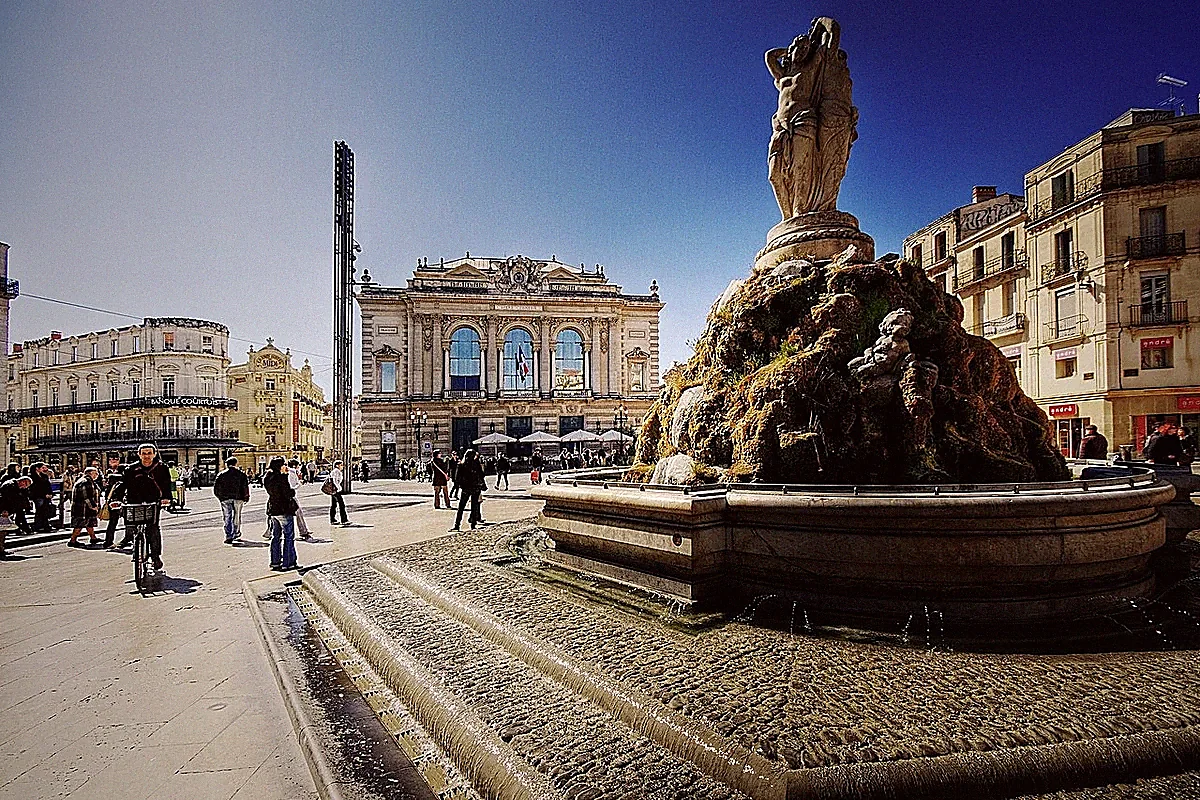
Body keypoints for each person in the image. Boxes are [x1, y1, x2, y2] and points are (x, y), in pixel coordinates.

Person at [117, 444, 173, 570]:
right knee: (132, 525)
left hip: (153, 502)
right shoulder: (131, 469)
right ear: (139, 454)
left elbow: (166, 485)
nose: (146, 456)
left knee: (153, 529)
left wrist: (166, 499)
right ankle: (134, 544)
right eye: (143, 453)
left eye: (149, 453)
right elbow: (122, 485)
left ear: (154, 454)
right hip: (134, 501)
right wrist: (117, 500)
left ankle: (155, 557)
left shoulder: (161, 467)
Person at [263, 457, 299, 571]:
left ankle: (275, 562)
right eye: (284, 464)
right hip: (284, 509)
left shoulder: (267, 477)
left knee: (276, 537)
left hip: (273, 509)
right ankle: (288, 563)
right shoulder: (281, 478)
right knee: (289, 536)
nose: (286, 466)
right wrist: (286, 478)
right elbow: (288, 493)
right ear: (280, 466)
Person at [213, 456, 251, 544]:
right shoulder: (241, 474)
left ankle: (229, 535)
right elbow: (245, 487)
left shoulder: (221, 475)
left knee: (227, 516)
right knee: (237, 516)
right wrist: (246, 496)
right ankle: (236, 533)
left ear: (227, 464)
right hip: (238, 498)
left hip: (225, 499)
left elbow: (216, 488)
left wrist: (220, 497)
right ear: (235, 464)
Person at [450, 449, 486, 532]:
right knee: (474, 506)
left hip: (466, 489)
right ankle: (473, 525)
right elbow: (482, 475)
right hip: (475, 488)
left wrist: (462, 486)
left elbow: (457, 478)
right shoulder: (476, 464)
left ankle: (457, 525)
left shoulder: (461, 465)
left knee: (461, 507)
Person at [67, 467, 102, 547]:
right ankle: (72, 540)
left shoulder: (87, 481)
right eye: (95, 473)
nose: (97, 475)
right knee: (79, 524)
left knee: (89, 523)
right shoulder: (86, 482)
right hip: (82, 507)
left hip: (84, 507)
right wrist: (93, 506)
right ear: (90, 473)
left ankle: (93, 538)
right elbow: (87, 496)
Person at [0, 475, 32, 558]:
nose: (25, 487)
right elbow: (4, 498)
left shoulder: (15, 486)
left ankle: (1, 549)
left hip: (8, 511)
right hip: (3, 511)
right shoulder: (9, 486)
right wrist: (4, 509)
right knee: (2, 531)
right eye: (26, 485)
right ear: (23, 481)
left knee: (4, 531)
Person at [102, 456, 126, 549]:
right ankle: (128, 539)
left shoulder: (111, 477)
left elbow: (107, 491)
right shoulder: (123, 478)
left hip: (112, 502)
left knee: (112, 523)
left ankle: (108, 541)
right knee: (129, 522)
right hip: (123, 502)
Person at [287, 459, 311, 540]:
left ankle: (304, 530)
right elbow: (291, 487)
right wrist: (300, 484)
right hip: (291, 497)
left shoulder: (292, 473)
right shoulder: (291, 474)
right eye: (298, 465)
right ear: (294, 466)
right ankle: (303, 531)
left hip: (291, 496)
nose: (299, 467)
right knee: (298, 513)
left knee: (298, 513)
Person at [29, 463, 54, 532]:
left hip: (46, 496)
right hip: (38, 496)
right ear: (37, 468)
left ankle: (45, 525)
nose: (44, 469)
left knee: (45, 510)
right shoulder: (32, 477)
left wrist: (50, 493)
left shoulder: (44, 476)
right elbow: (34, 488)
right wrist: (43, 494)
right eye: (42, 467)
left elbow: (48, 485)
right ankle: (39, 525)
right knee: (39, 510)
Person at [328, 459, 349, 525]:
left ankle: (333, 519)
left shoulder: (334, 471)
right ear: (337, 465)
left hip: (333, 490)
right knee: (341, 505)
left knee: (334, 505)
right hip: (336, 490)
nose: (342, 466)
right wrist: (338, 488)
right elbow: (335, 481)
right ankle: (344, 520)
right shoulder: (336, 471)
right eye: (341, 465)